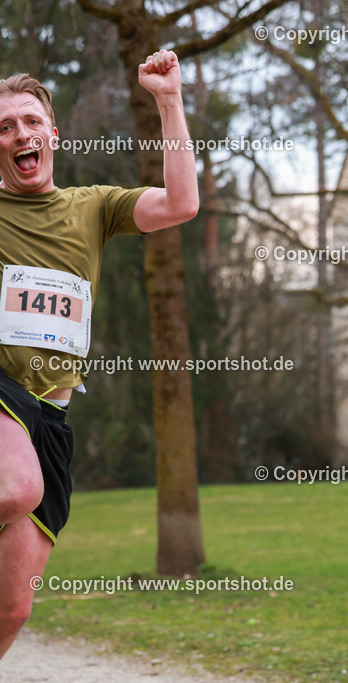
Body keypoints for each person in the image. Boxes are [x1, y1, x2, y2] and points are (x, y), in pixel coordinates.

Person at [0, 50, 200, 658]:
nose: (19, 135)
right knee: (15, 487)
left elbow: (181, 202)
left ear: (52, 133)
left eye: (30, 121)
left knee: (13, 607)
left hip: (51, 417)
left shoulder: (92, 206)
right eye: (4, 127)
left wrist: (167, 100)